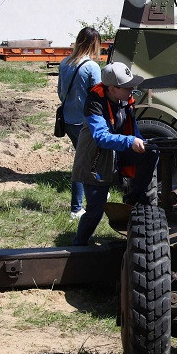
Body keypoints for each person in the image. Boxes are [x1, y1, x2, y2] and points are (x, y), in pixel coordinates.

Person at [71, 62, 158, 246]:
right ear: (112, 89)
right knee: (96, 209)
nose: (132, 89)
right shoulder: (94, 103)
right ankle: (78, 244)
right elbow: (101, 137)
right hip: (95, 159)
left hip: (115, 153)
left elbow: (132, 131)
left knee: (151, 154)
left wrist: (142, 142)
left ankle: (133, 197)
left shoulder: (124, 100)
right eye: (127, 87)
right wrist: (130, 142)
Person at [58, 27, 102, 220]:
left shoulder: (64, 63)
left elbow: (60, 93)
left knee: (87, 159)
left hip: (68, 120)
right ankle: (76, 208)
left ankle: (97, 193)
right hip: (85, 122)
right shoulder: (91, 67)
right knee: (82, 163)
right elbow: (98, 97)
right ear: (94, 44)